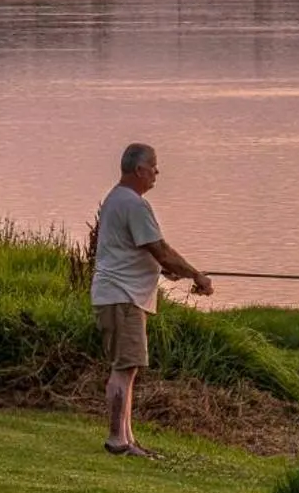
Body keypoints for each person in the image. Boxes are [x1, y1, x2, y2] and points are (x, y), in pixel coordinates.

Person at [90, 142, 212, 457]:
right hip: (123, 297)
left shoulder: (117, 199)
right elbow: (161, 249)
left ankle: (127, 438)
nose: (158, 171)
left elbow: (137, 250)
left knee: (127, 368)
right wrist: (196, 275)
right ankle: (117, 440)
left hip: (118, 295)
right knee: (124, 367)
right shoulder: (134, 204)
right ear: (139, 169)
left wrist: (163, 269)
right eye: (154, 166)